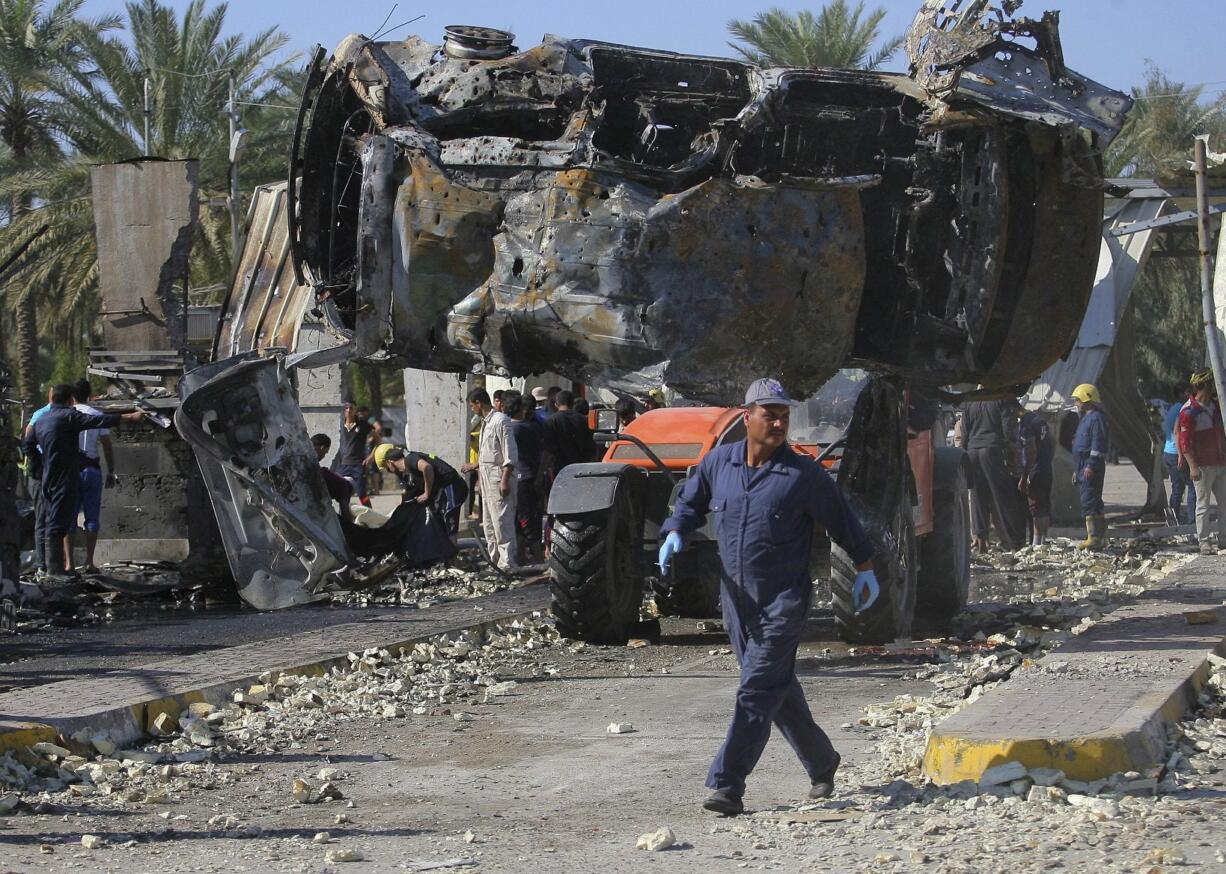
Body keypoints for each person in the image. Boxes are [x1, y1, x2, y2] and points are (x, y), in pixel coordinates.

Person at [659, 378, 878, 816]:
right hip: (736, 600)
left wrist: (866, 567)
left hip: (783, 601)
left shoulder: (802, 474)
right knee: (776, 688)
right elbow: (690, 500)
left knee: (756, 689)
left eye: (784, 414)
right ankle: (821, 760)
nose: (778, 422)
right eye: (769, 413)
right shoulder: (719, 462)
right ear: (747, 417)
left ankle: (728, 785)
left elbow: (842, 520)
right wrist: (676, 531)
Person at [22, 384, 141, 576]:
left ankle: (57, 568)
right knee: (58, 524)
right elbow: (99, 421)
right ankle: (56, 572)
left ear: (51, 399)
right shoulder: (70, 416)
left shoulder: (41, 419)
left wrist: (41, 465)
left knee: (54, 520)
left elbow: (27, 444)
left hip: (48, 478)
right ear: (70, 400)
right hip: (65, 477)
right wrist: (129, 417)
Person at [461, 388, 519, 569]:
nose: (472, 410)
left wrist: (504, 480)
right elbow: (489, 453)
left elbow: (509, 455)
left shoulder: (501, 421)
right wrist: (475, 465)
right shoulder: (486, 422)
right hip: (485, 478)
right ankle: (495, 561)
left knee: (502, 522)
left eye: (472, 406)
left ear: (479, 403)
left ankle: (508, 562)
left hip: (497, 478)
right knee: (488, 523)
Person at [962, 398, 1027, 552]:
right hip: (992, 450)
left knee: (978, 496)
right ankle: (1014, 542)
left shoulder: (970, 403)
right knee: (1003, 497)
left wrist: (965, 453)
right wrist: (1010, 449)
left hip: (972, 451)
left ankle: (980, 540)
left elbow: (964, 432)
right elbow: (1007, 428)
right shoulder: (1000, 401)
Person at [69, 378, 116, 572]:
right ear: (89, 395)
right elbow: (106, 445)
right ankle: (90, 562)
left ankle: (69, 564)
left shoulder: (67, 415)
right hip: (92, 470)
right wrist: (111, 471)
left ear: (72, 396)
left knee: (69, 518)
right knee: (92, 518)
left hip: (71, 471)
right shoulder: (97, 415)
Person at [1177, 370, 1226, 555]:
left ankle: (1224, 540)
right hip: (1203, 465)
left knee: (1224, 503)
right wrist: (1193, 466)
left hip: (1221, 462)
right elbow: (1184, 442)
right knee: (1203, 504)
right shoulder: (1189, 411)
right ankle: (1204, 542)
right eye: (1212, 383)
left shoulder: (1217, 405)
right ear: (1205, 385)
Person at [373, 442, 469, 535]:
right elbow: (408, 493)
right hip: (443, 489)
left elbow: (427, 467)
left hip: (452, 486)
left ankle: (451, 550)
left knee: (447, 522)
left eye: (387, 468)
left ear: (389, 462)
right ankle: (442, 549)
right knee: (437, 522)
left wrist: (426, 493)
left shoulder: (410, 459)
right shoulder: (405, 473)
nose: (389, 471)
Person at [506, 392, 545, 562]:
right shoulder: (534, 426)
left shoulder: (512, 429)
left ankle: (537, 559)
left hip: (522, 479)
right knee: (526, 520)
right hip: (532, 477)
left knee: (524, 520)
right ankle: (524, 556)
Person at [1071, 383, 1110, 550]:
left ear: (1087, 399)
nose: (1076, 403)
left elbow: (1097, 444)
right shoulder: (1085, 418)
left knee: (1090, 500)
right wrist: (1076, 470)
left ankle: (1093, 537)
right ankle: (1099, 536)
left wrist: (1091, 465)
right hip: (1082, 466)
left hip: (1090, 467)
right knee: (1090, 500)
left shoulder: (1097, 419)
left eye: (1078, 400)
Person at [1013, 400, 1054, 547]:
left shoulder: (1025, 423)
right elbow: (1052, 440)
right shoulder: (1039, 419)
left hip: (1035, 471)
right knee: (1044, 506)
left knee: (1036, 508)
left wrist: (1024, 476)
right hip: (1046, 468)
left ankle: (1036, 544)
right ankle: (1043, 541)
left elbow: (1031, 450)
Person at [541, 390, 596, 483]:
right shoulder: (584, 420)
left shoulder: (552, 420)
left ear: (556, 404)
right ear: (572, 403)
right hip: (581, 468)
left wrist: (541, 471)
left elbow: (548, 450)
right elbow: (592, 448)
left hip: (560, 470)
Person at [1163, 391, 1196, 525]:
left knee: (1177, 487)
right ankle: (1192, 520)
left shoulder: (1173, 408)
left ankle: (1173, 518)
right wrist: (1181, 455)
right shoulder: (1181, 409)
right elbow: (1177, 432)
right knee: (1192, 486)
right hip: (1176, 453)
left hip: (1169, 452)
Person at [311, 434, 355, 522]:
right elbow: (345, 510)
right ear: (322, 448)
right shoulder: (344, 486)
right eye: (326, 452)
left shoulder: (307, 458)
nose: (324, 456)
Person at [336, 403, 372, 508]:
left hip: (358, 465)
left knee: (362, 494)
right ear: (343, 411)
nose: (348, 410)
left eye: (351, 408)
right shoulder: (340, 425)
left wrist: (370, 457)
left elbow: (377, 438)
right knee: (342, 494)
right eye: (346, 408)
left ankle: (370, 515)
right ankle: (345, 517)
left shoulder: (363, 425)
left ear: (355, 411)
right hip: (343, 465)